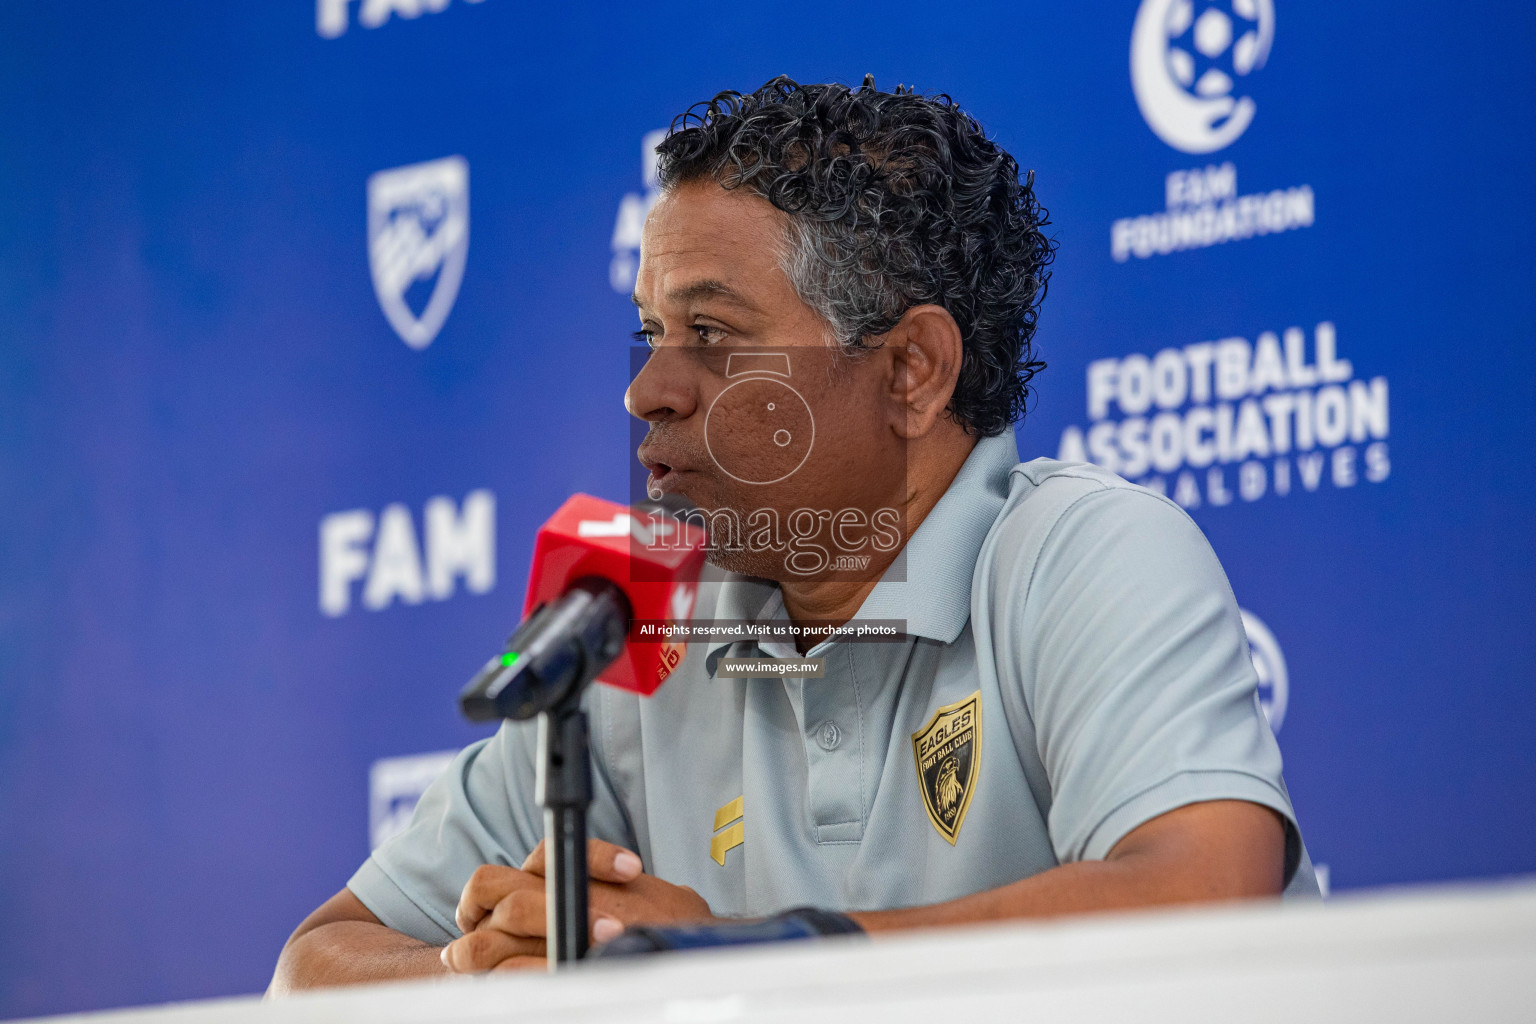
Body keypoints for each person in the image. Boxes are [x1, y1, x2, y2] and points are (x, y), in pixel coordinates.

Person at [269, 75, 1316, 994]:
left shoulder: (1083, 554)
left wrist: (740, 959)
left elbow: (1202, 892)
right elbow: (314, 964)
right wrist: (486, 968)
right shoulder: (637, 611)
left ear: (911, 370)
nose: (646, 391)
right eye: (651, 333)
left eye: (713, 335)